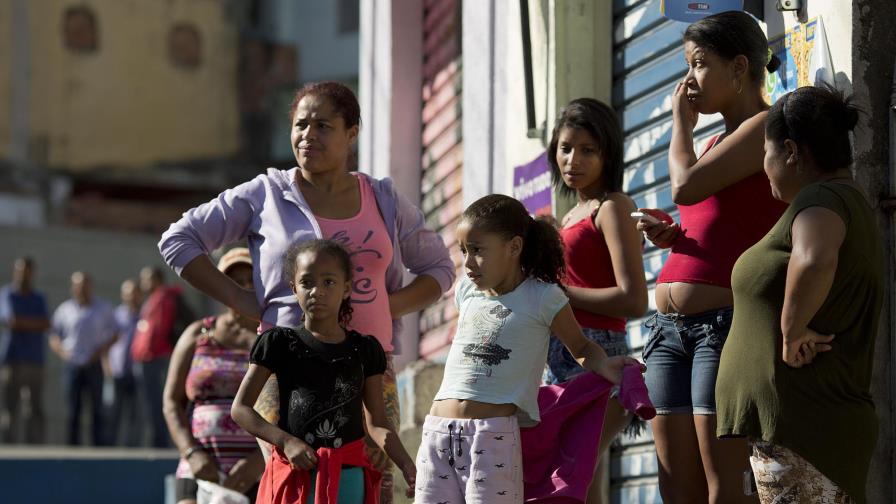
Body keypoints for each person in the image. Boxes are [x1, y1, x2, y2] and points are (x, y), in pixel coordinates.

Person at [159, 80, 454, 503]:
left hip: (366, 370)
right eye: (300, 125)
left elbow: (439, 269)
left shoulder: (384, 200)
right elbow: (178, 240)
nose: (307, 136)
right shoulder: (265, 195)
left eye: (322, 125)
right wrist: (241, 299)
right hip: (284, 372)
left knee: (370, 488)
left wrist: (384, 307)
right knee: (295, 485)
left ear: (352, 133)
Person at [633, 11, 787, 503]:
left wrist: (680, 124)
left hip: (721, 329)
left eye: (699, 64)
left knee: (725, 487)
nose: (688, 80)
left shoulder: (765, 125)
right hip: (668, 333)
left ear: (740, 67)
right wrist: (674, 236)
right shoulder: (719, 141)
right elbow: (721, 220)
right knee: (676, 487)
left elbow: (684, 184)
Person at [716, 85, 882, 503]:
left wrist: (791, 332)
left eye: (766, 152)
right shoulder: (839, 200)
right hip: (800, 428)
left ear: (790, 150)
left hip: (807, 426)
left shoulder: (822, 199)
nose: (764, 166)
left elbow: (813, 258)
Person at [417, 194, 639, 504]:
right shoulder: (466, 291)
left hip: (492, 438)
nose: (467, 263)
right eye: (464, 251)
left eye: (478, 251)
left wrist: (605, 366)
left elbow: (581, 346)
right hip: (438, 435)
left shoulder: (544, 297)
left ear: (514, 247)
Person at [232, 240, 416, 503]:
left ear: (346, 289)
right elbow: (241, 409)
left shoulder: (365, 350)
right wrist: (286, 442)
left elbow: (377, 423)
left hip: (349, 479)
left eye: (329, 282)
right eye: (307, 283)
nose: (317, 291)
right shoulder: (279, 344)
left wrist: (407, 465)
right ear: (295, 289)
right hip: (296, 477)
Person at [546, 98, 648, 503]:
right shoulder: (570, 215)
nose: (574, 159)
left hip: (599, 357)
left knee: (572, 478)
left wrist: (560, 295)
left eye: (588, 150)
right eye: (566, 148)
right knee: (576, 482)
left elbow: (634, 299)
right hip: (562, 355)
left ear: (609, 154)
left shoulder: (612, 207)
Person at [163, 248, 264, 504]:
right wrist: (191, 452)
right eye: (236, 282)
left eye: (252, 280)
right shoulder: (199, 333)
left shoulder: (271, 337)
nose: (245, 286)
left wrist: (258, 462)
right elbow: (172, 402)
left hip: (256, 468)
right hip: (200, 464)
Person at [50, 271, 117, 446]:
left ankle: (98, 447)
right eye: (78, 285)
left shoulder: (103, 308)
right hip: (72, 364)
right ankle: (73, 446)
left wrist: (100, 351)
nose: (82, 289)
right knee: (73, 409)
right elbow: (54, 335)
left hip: (93, 363)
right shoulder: (64, 310)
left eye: (85, 285)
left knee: (96, 408)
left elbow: (115, 333)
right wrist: (63, 352)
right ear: (73, 287)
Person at [132, 266, 194, 448]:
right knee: (150, 403)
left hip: (155, 358)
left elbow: (159, 329)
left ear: (156, 279)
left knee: (157, 402)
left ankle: (160, 442)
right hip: (149, 357)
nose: (143, 283)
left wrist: (148, 352)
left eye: (146, 279)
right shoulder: (154, 299)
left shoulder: (163, 298)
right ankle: (157, 440)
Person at [0, 257, 50, 444]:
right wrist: (32, 323)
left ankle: (35, 447)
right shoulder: (7, 295)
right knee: (10, 408)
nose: (23, 275)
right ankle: (8, 446)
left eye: (27, 271)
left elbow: (45, 323)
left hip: (35, 361)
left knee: (34, 407)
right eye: (20, 271)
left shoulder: (39, 298)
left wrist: (23, 323)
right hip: (12, 360)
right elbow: (11, 321)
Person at [106, 278, 142, 446]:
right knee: (113, 412)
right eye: (128, 294)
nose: (132, 297)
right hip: (117, 370)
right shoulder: (116, 316)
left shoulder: (145, 316)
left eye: (135, 293)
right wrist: (107, 366)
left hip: (136, 371)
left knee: (135, 413)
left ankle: (131, 447)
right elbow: (106, 343)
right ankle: (110, 446)